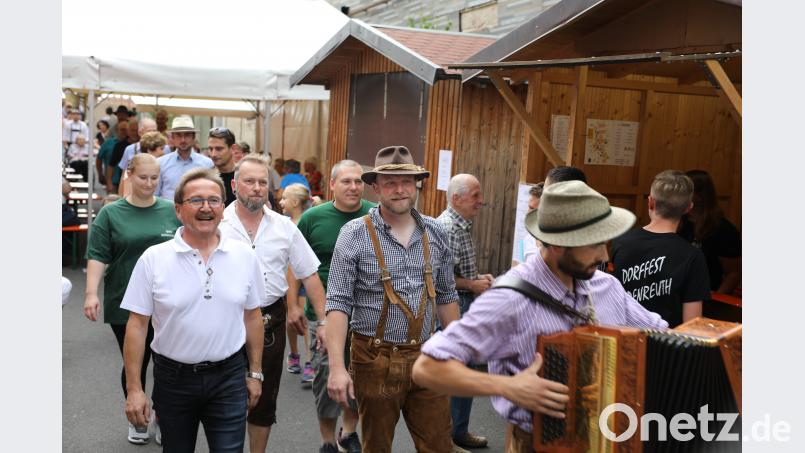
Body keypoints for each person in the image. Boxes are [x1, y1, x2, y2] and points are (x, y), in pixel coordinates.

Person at [413, 180, 668, 453]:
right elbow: (427, 368)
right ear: (558, 245)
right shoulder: (510, 298)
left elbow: (662, 335)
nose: (604, 254)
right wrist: (508, 386)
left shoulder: (607, 286)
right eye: (593, 244)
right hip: (538, 444)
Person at [326, 145, 461, 453]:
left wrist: (456, 350)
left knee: (439, 445)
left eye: (407, 182)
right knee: (377, 447)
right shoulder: (353, 234)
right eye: (390, 183)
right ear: (375, 187)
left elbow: (447, 295)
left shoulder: (435, 231)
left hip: (428, 356)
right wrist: (336, 368)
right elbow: (338, 303)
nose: (400, 190)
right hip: (374, 358)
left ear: (417, 184)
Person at [121, 168, 265, 452]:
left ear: (223, 209)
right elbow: (137, 325)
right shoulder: (153, 259)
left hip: (229, 378)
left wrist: (255, 373)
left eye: (214, 200)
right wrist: (134, 389)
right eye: (196, 200)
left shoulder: (244, 256)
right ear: (178, 210)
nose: (206, 207)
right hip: (173, 380)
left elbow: (253, 317)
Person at [218, 155, 326, 453]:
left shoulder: (284, 227)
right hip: (224, 319)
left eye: (262, 182)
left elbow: (310, 274)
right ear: (234, 185)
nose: (256, 187)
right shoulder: (217, 224)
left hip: (270, 319)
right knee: (223, 398)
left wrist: (324, 321)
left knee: (263, 398)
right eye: (249, 181)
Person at [83, 153, 182, 445]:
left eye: (155, 178)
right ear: (129, 175)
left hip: (168, 301)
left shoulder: (171, 210)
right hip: (124, 299)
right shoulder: (111, 213)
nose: (149, 183)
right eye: (143, 177)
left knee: (168, 363)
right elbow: (98, 255)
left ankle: (164, 416)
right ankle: (137, 416)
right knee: (135, 362)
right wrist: (91, 293)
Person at [294, 159, 371, 453]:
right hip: (323, 314)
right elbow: (295, 264)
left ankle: (348, 433)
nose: (353, 187)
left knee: (361, 377)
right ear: (332, 185)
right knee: (327, 375)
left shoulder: (375, 216)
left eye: (358, 181)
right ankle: (327, 441)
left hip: (366, 315)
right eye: (346, 181)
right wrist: (293, 306)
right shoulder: (312, 218)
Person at [437, 174, 492, 450]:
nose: (481, 201)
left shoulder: (461, 224)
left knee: (464, 369)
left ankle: (458, 432)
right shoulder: (447, 228)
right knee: (454, 371)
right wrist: (472, 284)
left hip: (463, 302)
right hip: (452, 306)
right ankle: (445, 439)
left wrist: (478, 278)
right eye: (475, 195)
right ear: (456, 199)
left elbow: (458, 270)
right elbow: (441, 278)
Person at [611, 170, 709, 327]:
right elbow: (692, 325)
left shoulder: (621, 242)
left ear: (651, 202)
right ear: (688, 208)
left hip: (625, 337)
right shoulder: (693, 256)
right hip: (667, 341)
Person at [678, 169, 741, 294]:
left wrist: (714, 300)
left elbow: (733, 274)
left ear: (700, 195)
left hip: (704, 295)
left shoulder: (723, 229)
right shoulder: (678, 220)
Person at [279, 183, 316, 385]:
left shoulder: (308, 222)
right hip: (286, 278)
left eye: (284, 198)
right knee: (291, 320)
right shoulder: (282, 223)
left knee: (306, 318)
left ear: (295, 202)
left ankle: (310, 361)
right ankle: (294, 353)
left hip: (304, 276)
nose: (281, 202)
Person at [155, 116, 214, 200]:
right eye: (178, 135)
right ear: (173, 138)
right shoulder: (160, 163)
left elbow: (210, 192)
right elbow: (155, 195)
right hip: (169, 208)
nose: (183, 140)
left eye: (187, 135)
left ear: (193, 137)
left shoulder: (207, 164)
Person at [118, 132, 168, 197]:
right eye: (161, 149)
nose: (163, 152)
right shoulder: (135, 167)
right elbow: (125, 183)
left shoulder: (162, 164)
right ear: (150, 150)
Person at [207, 127, 238, 206]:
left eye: (219, 149)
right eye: (210, 149)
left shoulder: (244, 176)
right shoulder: (207, 178)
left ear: (233, 149)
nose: (213, 154)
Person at [63, 109, 90, 180]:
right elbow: (65, 136)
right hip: (71, 144)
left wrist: (83, 143)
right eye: (74, 114)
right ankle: (74, 178)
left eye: (78, 114)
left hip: (82, 144)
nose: (76, 116)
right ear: (72, 115)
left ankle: (86, 178)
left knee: (85, 162)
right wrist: (66, 147)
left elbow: (87, 137)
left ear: (80, 116)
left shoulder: (83, 125)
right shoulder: (67, 124)